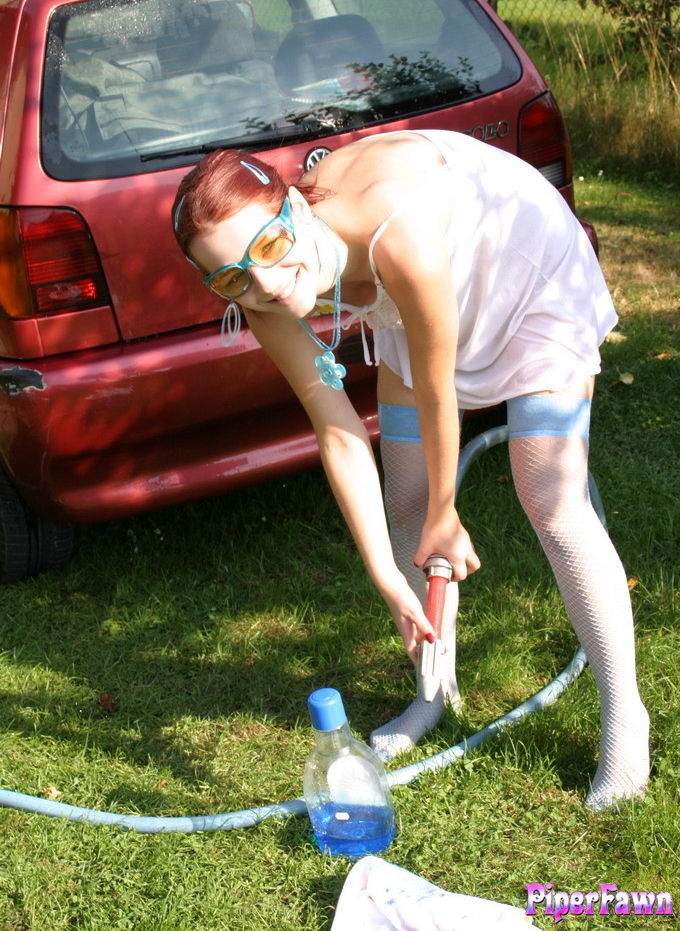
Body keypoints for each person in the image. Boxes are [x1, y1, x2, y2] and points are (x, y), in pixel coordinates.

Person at [172, 129, 649, 810]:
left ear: (298, 211)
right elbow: (336, 431)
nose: (267, 283)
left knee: (549, 499)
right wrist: (388, 578)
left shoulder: (399, 231)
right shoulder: (259, 293)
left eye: (271, 249)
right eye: (231, 276)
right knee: (404, 496)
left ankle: (626, 720)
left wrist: (447, 514)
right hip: (414, 301)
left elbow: (437, 387)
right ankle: (433, 690)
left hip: (526, 276)